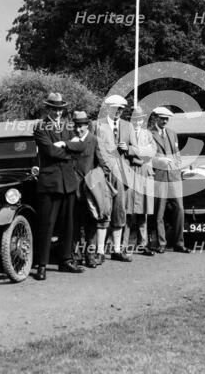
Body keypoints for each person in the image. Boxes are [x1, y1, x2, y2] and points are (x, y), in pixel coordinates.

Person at [33, 93, 86, 280]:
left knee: (68, 224)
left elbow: (81, 147)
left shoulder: (68, 125)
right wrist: (69, 149)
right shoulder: (40, 126)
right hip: (50, 183)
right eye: (54, 109)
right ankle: (42, 265)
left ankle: (66, 260)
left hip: (68, 183)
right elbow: (49, 151)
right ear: (48, 109)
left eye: (60, 109)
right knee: (47, 225)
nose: (57, 112)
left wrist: (64, 144)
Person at [94, 94, 135, 262]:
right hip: (103, 173)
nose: (119, 111)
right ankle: (100, 251)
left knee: (119, 211)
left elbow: (136, 148)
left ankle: (117, 250)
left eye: (122, 109)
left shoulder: (127, 126)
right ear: (108, 108)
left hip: (121, 174)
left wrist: (129, 149)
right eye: (116, 108)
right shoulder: (97, 125)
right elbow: (93, 148)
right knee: (103, 211)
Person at [70, 110, 107, 268]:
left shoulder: (94, 141)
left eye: (82, 126)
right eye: (76, 126)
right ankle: (76, 257)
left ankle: (90, 256)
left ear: (87, 126)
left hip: (89, 192)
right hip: (72, 190)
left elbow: (104, 166)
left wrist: (94, 180)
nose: (79, 130)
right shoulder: (69, 141)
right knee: (74, 225)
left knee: (90, 225)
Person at [150, 106, 190, 253]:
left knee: (180, 209)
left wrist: (178, 167)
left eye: (167, 119)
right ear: (156, 118)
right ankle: (161, 243)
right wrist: (160, 160)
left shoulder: (172, 134)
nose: (164, 121)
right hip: (159, 177)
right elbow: (147, 156)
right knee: (159, 212)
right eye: (162, 118)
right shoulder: (149, 134)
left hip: (174, 177)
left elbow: (177, 155)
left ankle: (179, 243)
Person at [122, 106, 157, 256]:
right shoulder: (125, 133)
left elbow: (151, 152)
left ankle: (143, 244)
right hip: (130, 173)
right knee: (128, 211)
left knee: (143, 211)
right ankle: (123, 245)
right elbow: (122, 151)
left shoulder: (148, 134)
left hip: (144, 174)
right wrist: (139, 152)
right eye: (135, 119)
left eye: (140, 119)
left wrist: (132, 150)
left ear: (143, 120)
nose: (137, 122)